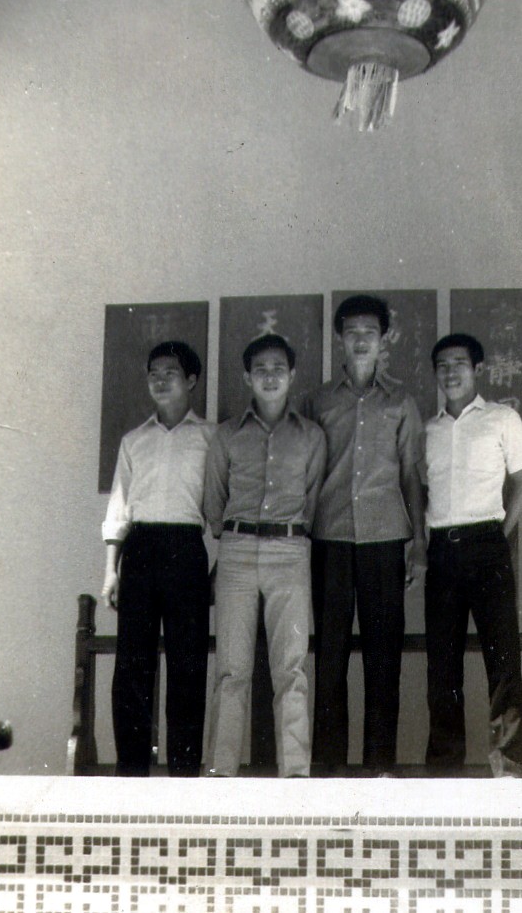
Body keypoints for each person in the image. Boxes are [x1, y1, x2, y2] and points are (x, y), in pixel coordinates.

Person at [302, 294, 426, 776]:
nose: (360, 341)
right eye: (351, 332)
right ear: (339, 338)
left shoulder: (401, 402)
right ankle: (330, 769)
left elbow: (411, 475)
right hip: (329, 537)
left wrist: (418, 542)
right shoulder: (318, 401)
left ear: (383, 339)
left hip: (385, 538)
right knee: (329, 657)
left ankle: (380, 767)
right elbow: (306, 472)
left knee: (383, 656)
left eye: (369, 333)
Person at [203, 333, 326, 777]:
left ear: (292, 375)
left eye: (278, 368)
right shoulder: (227, 435)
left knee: (291, 667)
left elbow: (313, 497)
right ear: (247, 377)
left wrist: (286, 536)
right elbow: (214, 501)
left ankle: (294, 773)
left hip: (290, 552)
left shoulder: (311, 437)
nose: (269, 377)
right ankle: (221, 771)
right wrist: (235, 537)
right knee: (231, 668)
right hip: (236, 552)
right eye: (260, 369)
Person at [423, 333, 522, 777]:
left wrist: (498, 535)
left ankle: (508, 768)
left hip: (487, 545)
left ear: (477, 369)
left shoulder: (501, 419)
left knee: (503, 661)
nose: (450, 372)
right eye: (442, 365)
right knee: (442, 666)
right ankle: (444, 769)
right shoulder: (428, 430)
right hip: (441, 551)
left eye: (459, 363)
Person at [101, 340, 216, 777]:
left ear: (191, 380)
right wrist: (111, 571)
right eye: (154, 374)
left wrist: (219, 565)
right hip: (140, 551)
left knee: (188, 664)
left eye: (171, 373)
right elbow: (119, 510)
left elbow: (219, 508)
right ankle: (131, 774)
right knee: (133, 666)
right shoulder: (134, 441)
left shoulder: (210, 438)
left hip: (186, 550)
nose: (161, 381)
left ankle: (184, 775)